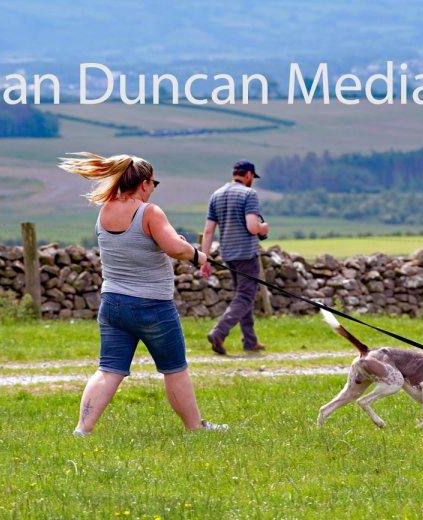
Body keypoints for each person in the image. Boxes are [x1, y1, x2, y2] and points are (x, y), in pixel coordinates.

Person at [59, 152, 227, 434]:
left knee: (109, 370)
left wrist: (174, 243)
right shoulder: (149, 211)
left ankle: (82, 429)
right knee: (174, 369)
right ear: (145, 183)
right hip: (152, 305)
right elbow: (174, 247)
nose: (153, 189)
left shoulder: (105, 210)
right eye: (154, 184)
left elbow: (146, 244)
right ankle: (195, 428)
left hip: (112, 303)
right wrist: (197, 255)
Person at [200, 160, 269, 355]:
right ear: (248, 175)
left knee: (242, 295)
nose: (252, 181)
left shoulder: (216, 195)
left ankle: (250, 340)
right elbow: (252, 227)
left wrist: (204, 259)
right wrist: (264, 228)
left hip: (228, 254)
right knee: (246, 296)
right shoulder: (249, 194)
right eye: (252, 178)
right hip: (246, 253)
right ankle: (219, 332)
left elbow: (208, 231)